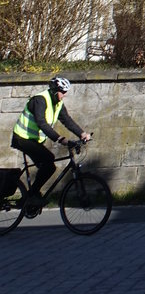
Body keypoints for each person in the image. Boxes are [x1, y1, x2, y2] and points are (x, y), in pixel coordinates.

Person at [11, 76, 91, 210]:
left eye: (65, 93)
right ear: (54, 91)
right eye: (62, 92)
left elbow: (67, 120)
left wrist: (82, 134)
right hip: (22, 138)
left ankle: (32, 196)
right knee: (49, 162)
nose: (64, 96)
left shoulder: (57, 103)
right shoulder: (40, 100)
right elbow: (41, 123)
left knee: (47, 164)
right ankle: (31, 196)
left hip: (33, 140)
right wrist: (60, 139)